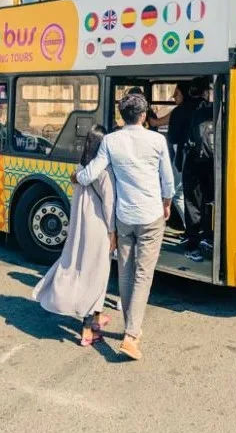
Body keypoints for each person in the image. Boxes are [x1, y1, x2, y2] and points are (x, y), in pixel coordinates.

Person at [72, 93, 174, 361]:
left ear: (121, 116)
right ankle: (131, 335)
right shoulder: (157, 140)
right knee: (143, 275)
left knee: (126, 273)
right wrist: (167, 202)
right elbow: (167, 178)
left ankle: (131, 327)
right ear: (143, 115)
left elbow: (91, 172)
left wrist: (77, 176)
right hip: (151, 215)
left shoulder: (111, 140)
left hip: (124, 217)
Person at [33, 125, 116, 347]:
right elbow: (109, 205)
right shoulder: (104, 172)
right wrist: (114, 231)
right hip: (99, 229)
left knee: (80, 269)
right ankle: (88, 330)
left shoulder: (80, 169)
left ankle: (96, 316)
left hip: (81, 228)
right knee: (96, 275)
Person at [148, 81, 199, 232]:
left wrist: (148, 111)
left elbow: (154, 122)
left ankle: (191, 229)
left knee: (177, 194)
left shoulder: (179, 111)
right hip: (198, 160)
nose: (172, 96)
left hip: (182, 160)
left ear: (184, 93)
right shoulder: (199, 107)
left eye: (176, 93)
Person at [181, 78, 214, 261]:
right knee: (208, 203)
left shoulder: (190, 111)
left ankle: (193, 244)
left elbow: (177, 136)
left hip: (194, 164)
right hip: (211, 166)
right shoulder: (220, 110)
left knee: (193, 204)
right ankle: (206, 238)